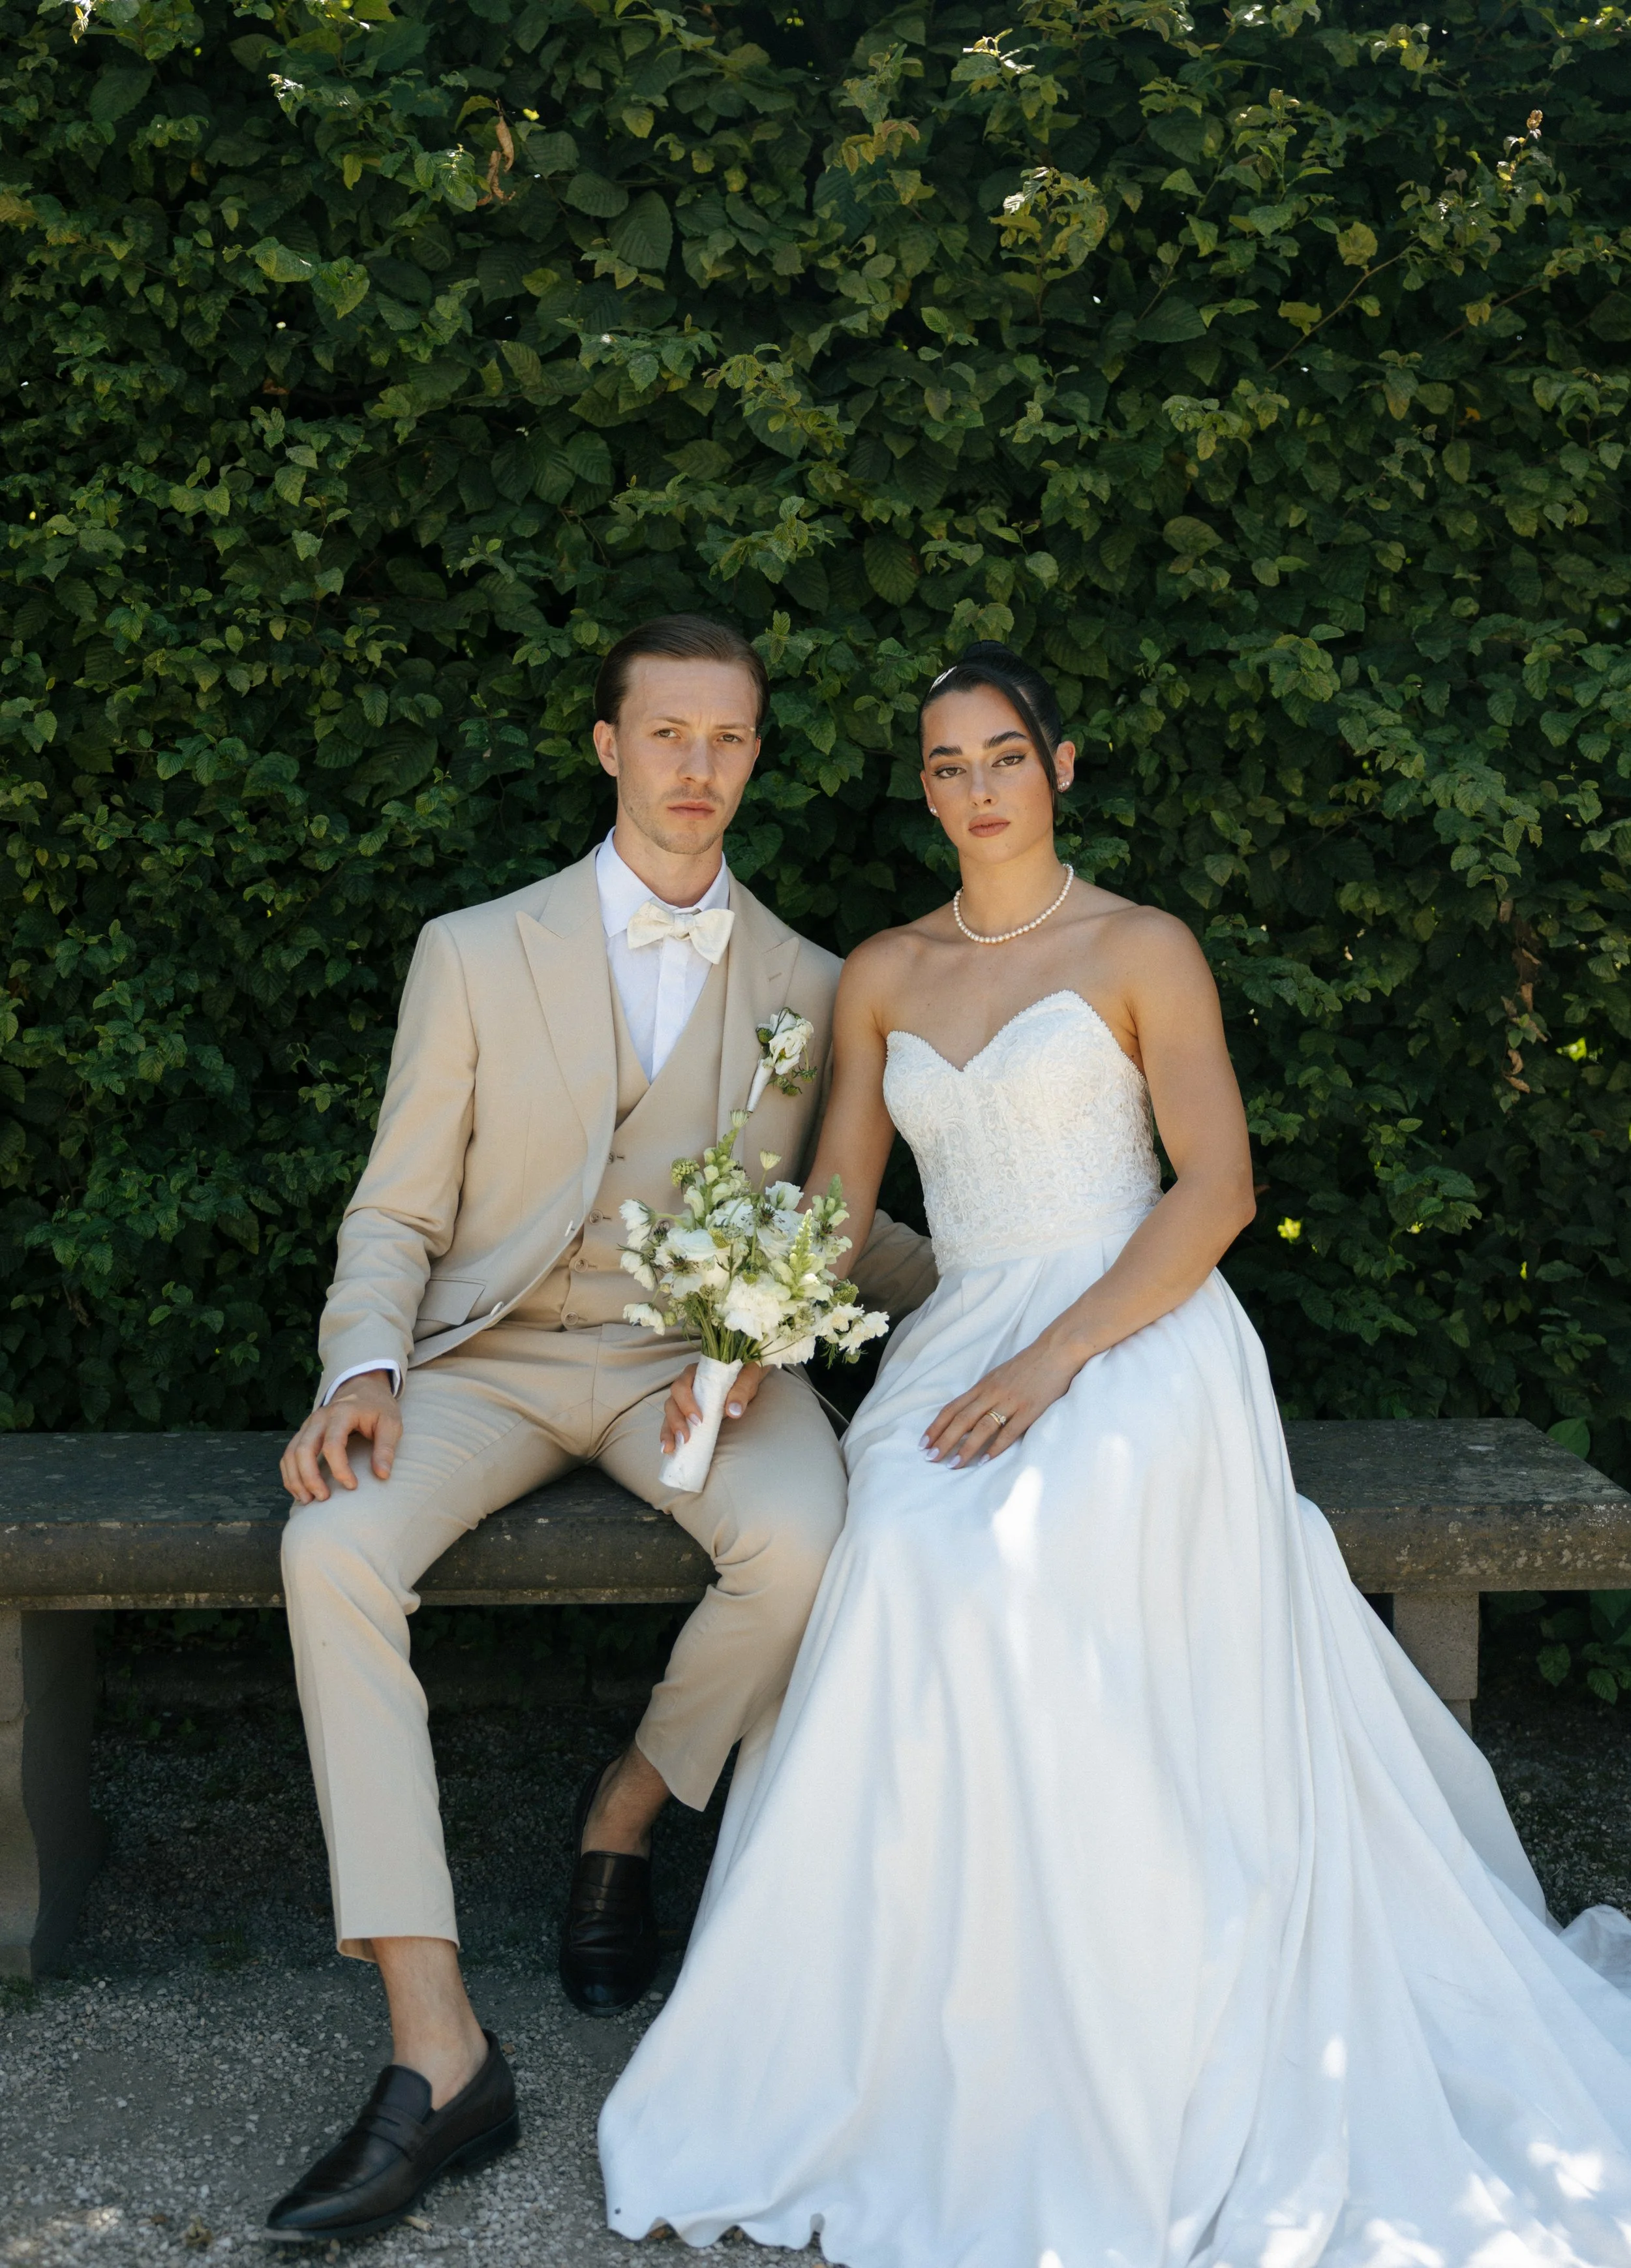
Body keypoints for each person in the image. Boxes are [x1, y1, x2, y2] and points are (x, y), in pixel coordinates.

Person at [598, 641, 1631, 2268]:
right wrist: (737, 1353)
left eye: (999, 755)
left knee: (1043, 1549)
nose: (972, 789)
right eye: (942, 766)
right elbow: (841, 1209)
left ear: (1058, 765)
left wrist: (1060, 1355)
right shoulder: (882, 972)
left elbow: (1214, 1190)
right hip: (961, 1333)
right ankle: (927, 2031)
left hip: (1138, 1324)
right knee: (912, 1553)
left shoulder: (1143, 945)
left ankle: (1136, 2008)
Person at [264, 613, 935, 2244]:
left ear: (755, 756)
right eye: (668, 736)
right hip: (485, 1359)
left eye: (728, 739)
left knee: (807, 1538)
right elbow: (394, 1212)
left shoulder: (816, 985)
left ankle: (627, 1810)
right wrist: (362, 1370)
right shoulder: (474, 951)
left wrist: (1042, 1284)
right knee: (329, 1546)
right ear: (609, 748)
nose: (698, 768)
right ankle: (437, 2046)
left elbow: (851, 1222)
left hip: (685, 1374)